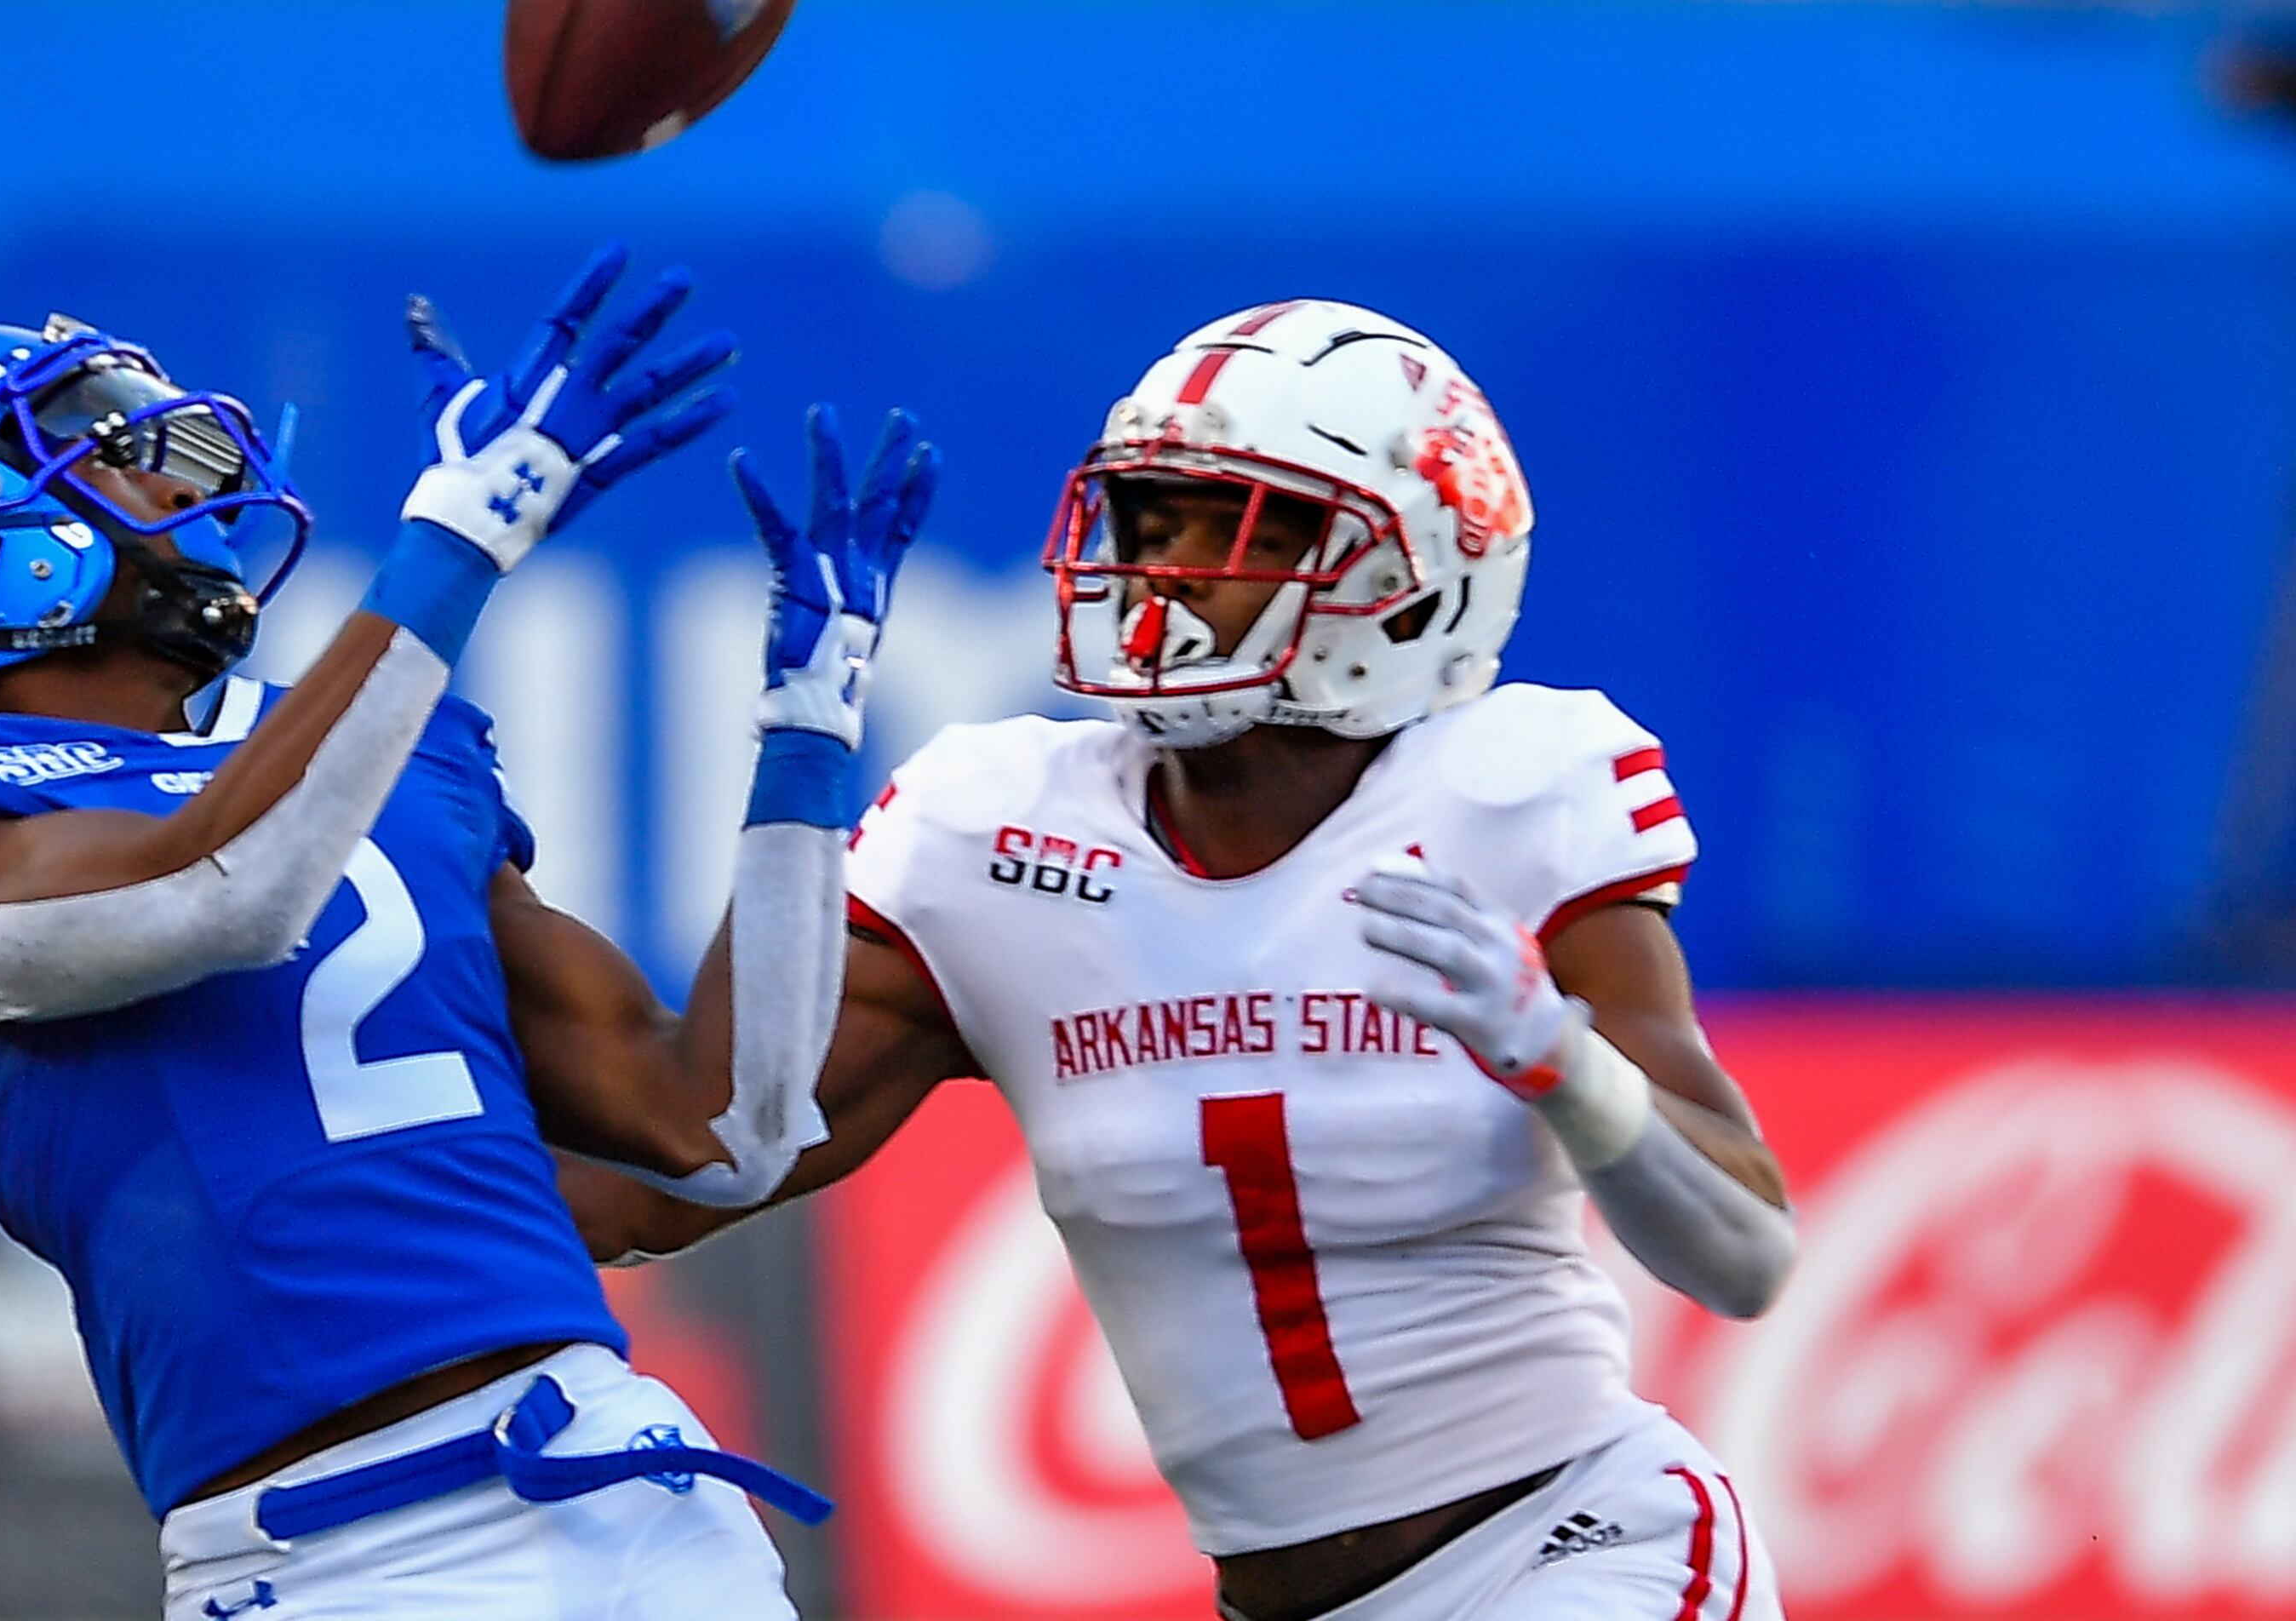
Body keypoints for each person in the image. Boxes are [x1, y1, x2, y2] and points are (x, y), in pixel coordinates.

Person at [0, 245, 936, 1621]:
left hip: (631, 1486)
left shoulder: (386, 744)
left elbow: (724, 1123)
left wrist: (806, 735)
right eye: (106, 456)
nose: (180, 486)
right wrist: (466, 531)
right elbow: (223, 892)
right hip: (339, 1555)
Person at [568, 300, 1798, 1621]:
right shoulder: (996, 833)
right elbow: (683, 1174)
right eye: (1154, 520)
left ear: (1415, 575)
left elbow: (1747, 1260)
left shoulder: (1516, 793)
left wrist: (1568, 1062)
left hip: (1571, 1543)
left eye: (1245, 528)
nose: (1167, 567)